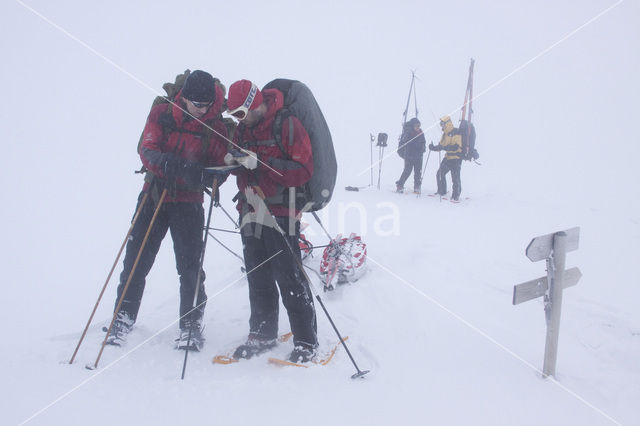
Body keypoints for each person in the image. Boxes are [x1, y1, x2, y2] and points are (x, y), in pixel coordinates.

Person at [107, 70, 229, 351]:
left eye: (206, 105)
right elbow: (146, 148)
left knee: (189, 267)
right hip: (154, 194)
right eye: (196, 104)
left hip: (189, 202)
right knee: (137, 259)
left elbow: (219, 167)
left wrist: (206, 176)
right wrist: (170, 165)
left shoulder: (216, 127)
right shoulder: (162, 113)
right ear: (183, 97)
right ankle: (123, 317)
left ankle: (190, 324)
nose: (202, 110)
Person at [224, 79, 318, 363]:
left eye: (241, 113)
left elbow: (304, 170)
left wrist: (261, 164)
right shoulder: (243, 130)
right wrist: (234, 162)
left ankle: (305, 341)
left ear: (255, 103)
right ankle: (263, 333)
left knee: (288, 275)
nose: (238, 120)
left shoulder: (286, 124)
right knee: (257, 272)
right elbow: (244, 167)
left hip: (282, 209)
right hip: (250, 206)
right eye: (234, 115)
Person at [429, 115, 463, 201]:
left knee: (455, 178)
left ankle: (456, 196)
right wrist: (433, 148)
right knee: (440, 173)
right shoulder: (445, 134)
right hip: (448, 158)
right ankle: (441, 191)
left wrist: (446, 147)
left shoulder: (456, 132)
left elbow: (456, 147)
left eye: (442, 124)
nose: (441, 126)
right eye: (441, 124)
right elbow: (441, 146)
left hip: (456, 158)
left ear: (447, 124)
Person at [395, 117, 426, 193]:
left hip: (419, 155)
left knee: (418, 172)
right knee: (407, 171)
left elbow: (423, 141)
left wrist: (423, 147)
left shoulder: (421, 132)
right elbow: (406, 142)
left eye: (419, 126)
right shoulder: (408, 132)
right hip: (409, 155)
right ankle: (400, 185)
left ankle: (417, 186)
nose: (418, 127)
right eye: (416, 126)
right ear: (412, 126)